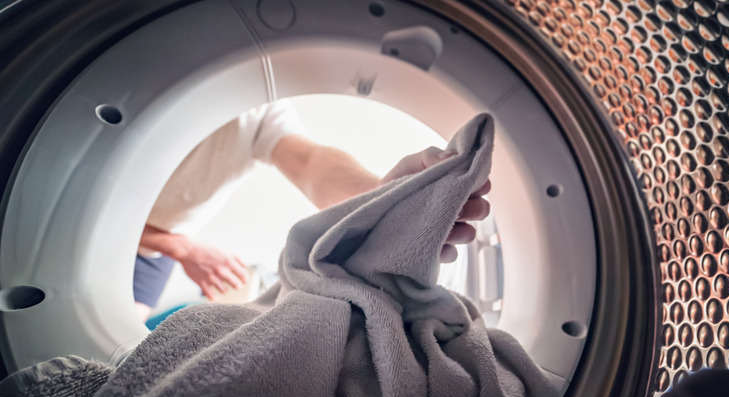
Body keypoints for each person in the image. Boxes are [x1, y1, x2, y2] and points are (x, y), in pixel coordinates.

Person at [133, 99, 491, 321]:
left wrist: (385, 195)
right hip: (140, 236)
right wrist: (181, 247)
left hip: (151, 254)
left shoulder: (255, 103)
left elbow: (312, 163)